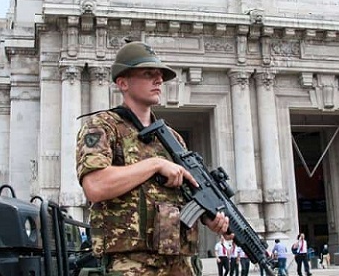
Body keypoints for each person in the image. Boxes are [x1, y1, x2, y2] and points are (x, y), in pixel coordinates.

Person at [76, 41, 230, 275]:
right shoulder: (103, 127)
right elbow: (95, 186)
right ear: (123, 82)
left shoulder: (173, 139)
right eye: (148, 74)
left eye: (160, 75)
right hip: (132, 264)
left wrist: (211, 218)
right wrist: (155, 164)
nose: (158, 80)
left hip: (181, 263)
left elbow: (187, 195)